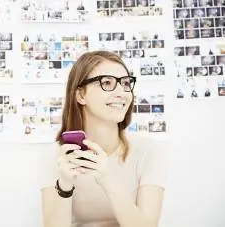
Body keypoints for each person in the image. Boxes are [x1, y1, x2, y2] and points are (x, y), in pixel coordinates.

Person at [39, 51, 168, 227]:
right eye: (107, 83)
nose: (122, 92)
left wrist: (108, 178)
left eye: (125, 83)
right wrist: (65, 184)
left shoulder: (148, 151)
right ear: (80, 95)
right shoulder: (58, 156)